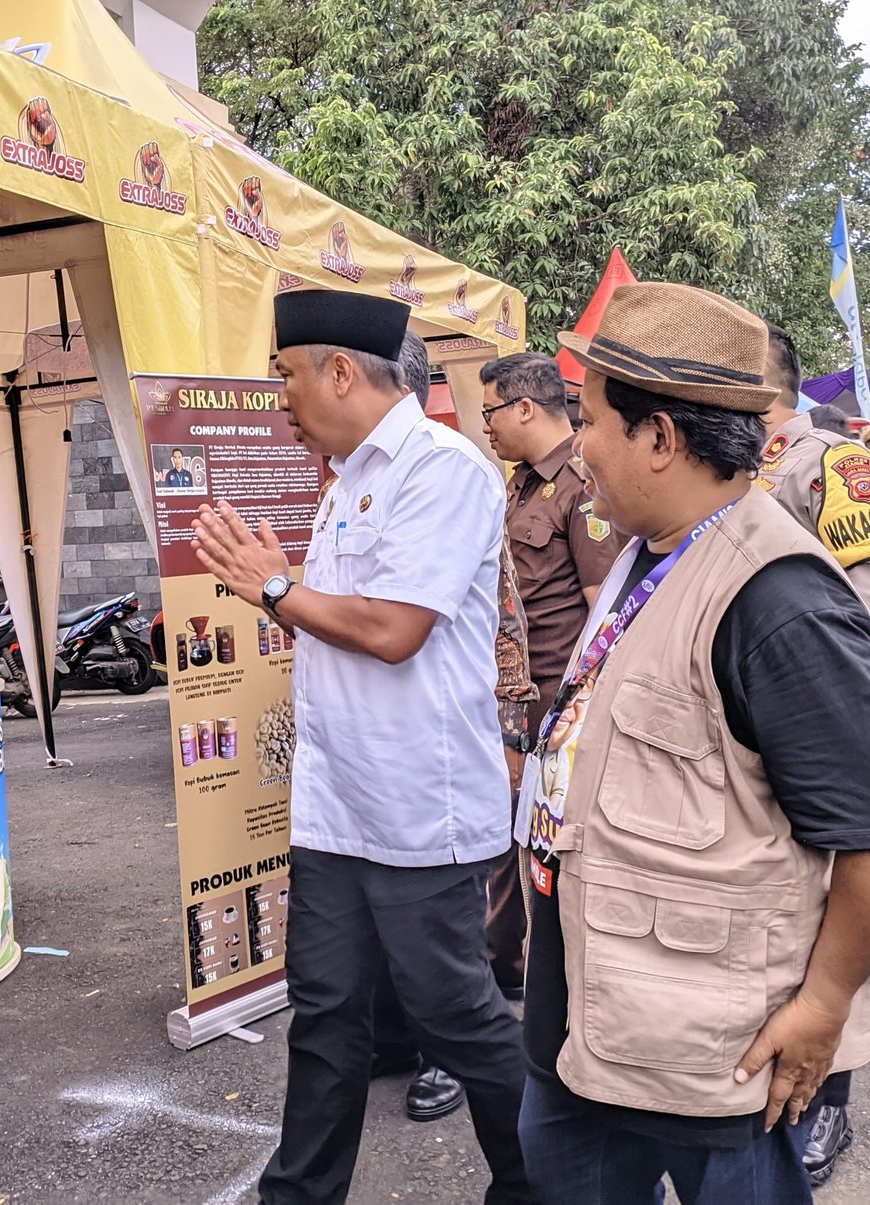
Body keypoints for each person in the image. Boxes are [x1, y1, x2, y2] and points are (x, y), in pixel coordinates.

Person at [516, 282, 870, 1205]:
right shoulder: (651, 549)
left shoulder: (777, 601)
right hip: (591, 1011)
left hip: (707, 1048)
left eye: (588, 421)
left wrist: (823, 1005)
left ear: (661, 438)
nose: (577, 447)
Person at [190, 289, 532, 1205]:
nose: (281, 398)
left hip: (421, 806)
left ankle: (546, 1179)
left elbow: (392, 628)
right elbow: (334, 619)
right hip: (336, 805)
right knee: (328, 1012)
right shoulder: (346, 478)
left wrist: (272, 587)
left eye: (288, 376)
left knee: (456, 1015)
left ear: (342, 370)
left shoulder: (443, 468)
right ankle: (298, 1194)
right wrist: (282, 587)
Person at [370, 332, 540, 1125]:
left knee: (455, 923)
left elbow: (507, 622)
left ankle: (453, 1056)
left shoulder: (449, 471)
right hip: (384, 759)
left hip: (457, 742)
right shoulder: (356, 481)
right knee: (403, 924)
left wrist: (512, 734)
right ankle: (409, 1036)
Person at [756, 323, 870, 1186]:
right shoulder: (743, 459)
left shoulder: (836, 465)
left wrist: (831, 719)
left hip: (821, 728)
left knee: (840, 909)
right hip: (753, 733)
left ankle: (833, 1098)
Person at [481, 351, 625, 987]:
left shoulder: (581, 482)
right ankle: (506, 968)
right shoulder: (518, 482)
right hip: (509, 695)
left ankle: (532, 975)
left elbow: (604, 612)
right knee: (507, 837)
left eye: (489, 411)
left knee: (540, 840)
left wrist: (575, 714)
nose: (484, 425)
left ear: (524, 407)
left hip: (551, 703)